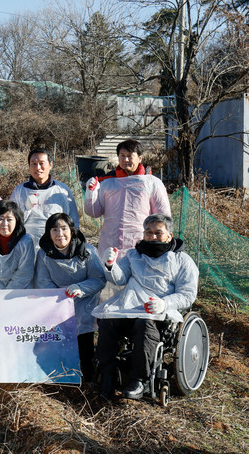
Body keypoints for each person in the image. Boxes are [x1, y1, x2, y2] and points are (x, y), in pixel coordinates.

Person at [93, 214, 198, 400]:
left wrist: (165, 304)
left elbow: (187, 294)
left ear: (169, 235)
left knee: (144, 324)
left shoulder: (182, 260)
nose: (153, 236)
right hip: (131, 304)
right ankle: (107, 375)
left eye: (158, 232)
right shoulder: (134, 255)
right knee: (108, 322)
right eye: (148, 232)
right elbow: (120, 279)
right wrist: (110, 265)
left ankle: (139, 380)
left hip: (159, 311)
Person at [34, 213, 106, 381]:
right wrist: (60, 298)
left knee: (84, 342)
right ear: (48, 233)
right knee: (59, 344)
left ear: (72, 231)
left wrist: (81, 288)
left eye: (64, 229)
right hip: (58, 303)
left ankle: (88, 377)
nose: (60, 234)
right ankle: (61, 377)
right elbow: (43, 282)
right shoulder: (44, 254)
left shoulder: (87, 251)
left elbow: (99, 279)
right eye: (54, 230)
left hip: (85, 301)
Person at [85, 139, 171, 260]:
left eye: (130, 156)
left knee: (136, 270)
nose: (125, 160)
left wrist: (158, 243)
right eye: (122, 156)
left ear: (140, 158)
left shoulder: (152, 182)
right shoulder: (107, 182)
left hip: (141, 243)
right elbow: (94, 212)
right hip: (110, 243)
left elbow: (163, 216)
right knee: (109, 269)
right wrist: (91, 192)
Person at [10, 148, 79, 248]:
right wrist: (25, 209)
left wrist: (74, 244)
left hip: (56, 245)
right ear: (29, 166)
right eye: (34, 164)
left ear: (50, 165)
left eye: (42, 163)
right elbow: (11, 220)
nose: (38, 168)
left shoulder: (62, 190)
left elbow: (73, 219)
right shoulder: (19, 191)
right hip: (27, 245)